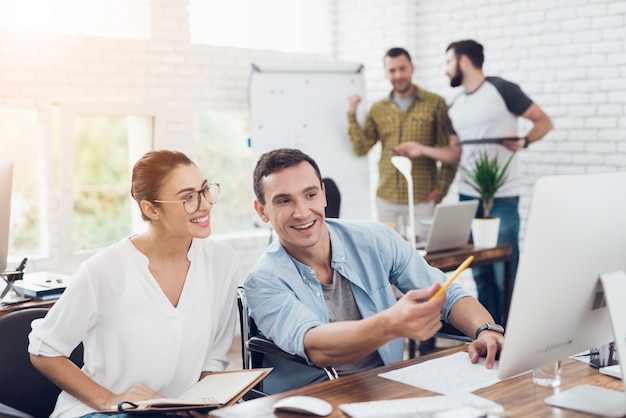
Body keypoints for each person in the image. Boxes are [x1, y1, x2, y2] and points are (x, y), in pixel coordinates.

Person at [244, 148, 504, 394]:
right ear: (262, 211)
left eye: (310, 195)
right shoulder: (262, 280)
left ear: (323, 195)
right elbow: (315, 346)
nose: (302, 212)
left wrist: (486, 330)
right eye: (284, 200)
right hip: (314, 399)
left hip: (387, 386)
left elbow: (448, 295)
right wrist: (391, 324)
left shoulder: (375, 238)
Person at [28, 150, 240, 418]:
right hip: (101, 414)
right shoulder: (103, 270)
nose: (205, 204)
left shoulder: (222, 261)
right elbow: (44, 350)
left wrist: (198, 404)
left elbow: (214, 358)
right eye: (188, 197)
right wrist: (108, 400)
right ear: (151, 209)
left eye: (205, 190)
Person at [445, 40, 553, 323]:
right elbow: (455, 152)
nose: (446, 70)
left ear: (463, 61)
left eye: (448, 62)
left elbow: (543, 121)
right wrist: (421, 151)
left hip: (502, 196)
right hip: (468, 196)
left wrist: (525, 140)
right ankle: (488, 330)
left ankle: (514, 331)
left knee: (504, 270)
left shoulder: (502, 89)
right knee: (479, 271)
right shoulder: (454, 106)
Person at [347, 47, 459, 241]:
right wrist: (352, 114)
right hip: (386, 197)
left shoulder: (435, 104)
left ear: (412, 68)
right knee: (390, 257)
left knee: (424, 257)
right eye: (392, 70)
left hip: (422, 197)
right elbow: (361, 147)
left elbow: (450, 152)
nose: (398, 75)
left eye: (402, 68)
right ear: (385, 73)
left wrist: (441, 189)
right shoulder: (378, 109)